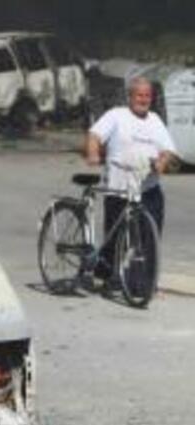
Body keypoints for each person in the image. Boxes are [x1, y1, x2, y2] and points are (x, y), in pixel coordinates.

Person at [85, 77, 177, 282]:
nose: (143, 99)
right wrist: (93, 153)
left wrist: (162, 162)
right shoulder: (116, 115)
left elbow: (168, 149)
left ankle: (143, 285)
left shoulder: (154, 119)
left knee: (149, 238)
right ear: (130, 96)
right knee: (115, 236)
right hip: (119, 186)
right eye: (139, 95)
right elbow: (95, 135)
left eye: (147, 96)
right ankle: (106, 270)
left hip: (148, 187)